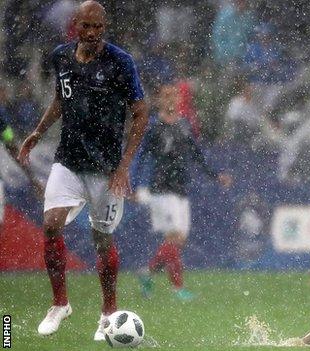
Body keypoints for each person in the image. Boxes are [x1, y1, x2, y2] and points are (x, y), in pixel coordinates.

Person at [17, 0, 148, 341]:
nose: (92, 33)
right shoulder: (61, 56)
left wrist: (123, 166)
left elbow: (141, 113)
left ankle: (107, 314)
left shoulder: (120, 62)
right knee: (50, 224)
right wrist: (37, 132)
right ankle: (60, 303)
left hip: (105, 169)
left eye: (98, 27)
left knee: (101, 240)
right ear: (75, 26)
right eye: (86, 26)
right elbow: (61, 99)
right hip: (69, 160)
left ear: (105, 28)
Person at [134, 83, 231, 301]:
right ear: (159, 100)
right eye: (166, 96)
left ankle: (147, 273)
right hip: (161, 189)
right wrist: (133, 184)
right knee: (174, 236)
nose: (170, 100)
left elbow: (197, 156)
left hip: (180, 189)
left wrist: (216, 175)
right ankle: (177, 288)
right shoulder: (153, 127)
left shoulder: (184, 125)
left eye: (174, 96)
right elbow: (141, 157)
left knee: (178, 240)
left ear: (179, 100)